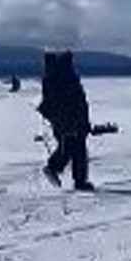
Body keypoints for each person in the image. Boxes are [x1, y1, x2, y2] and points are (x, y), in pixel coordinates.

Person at [38, 51, 94, 192]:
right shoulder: (60, 77)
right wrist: (70, 120)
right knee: (72, 146)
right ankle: (55, 168)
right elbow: (64, 102)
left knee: (76, 147)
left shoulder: (56, 77)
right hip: (68, 120)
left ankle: (78, 179)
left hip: (71, 119)